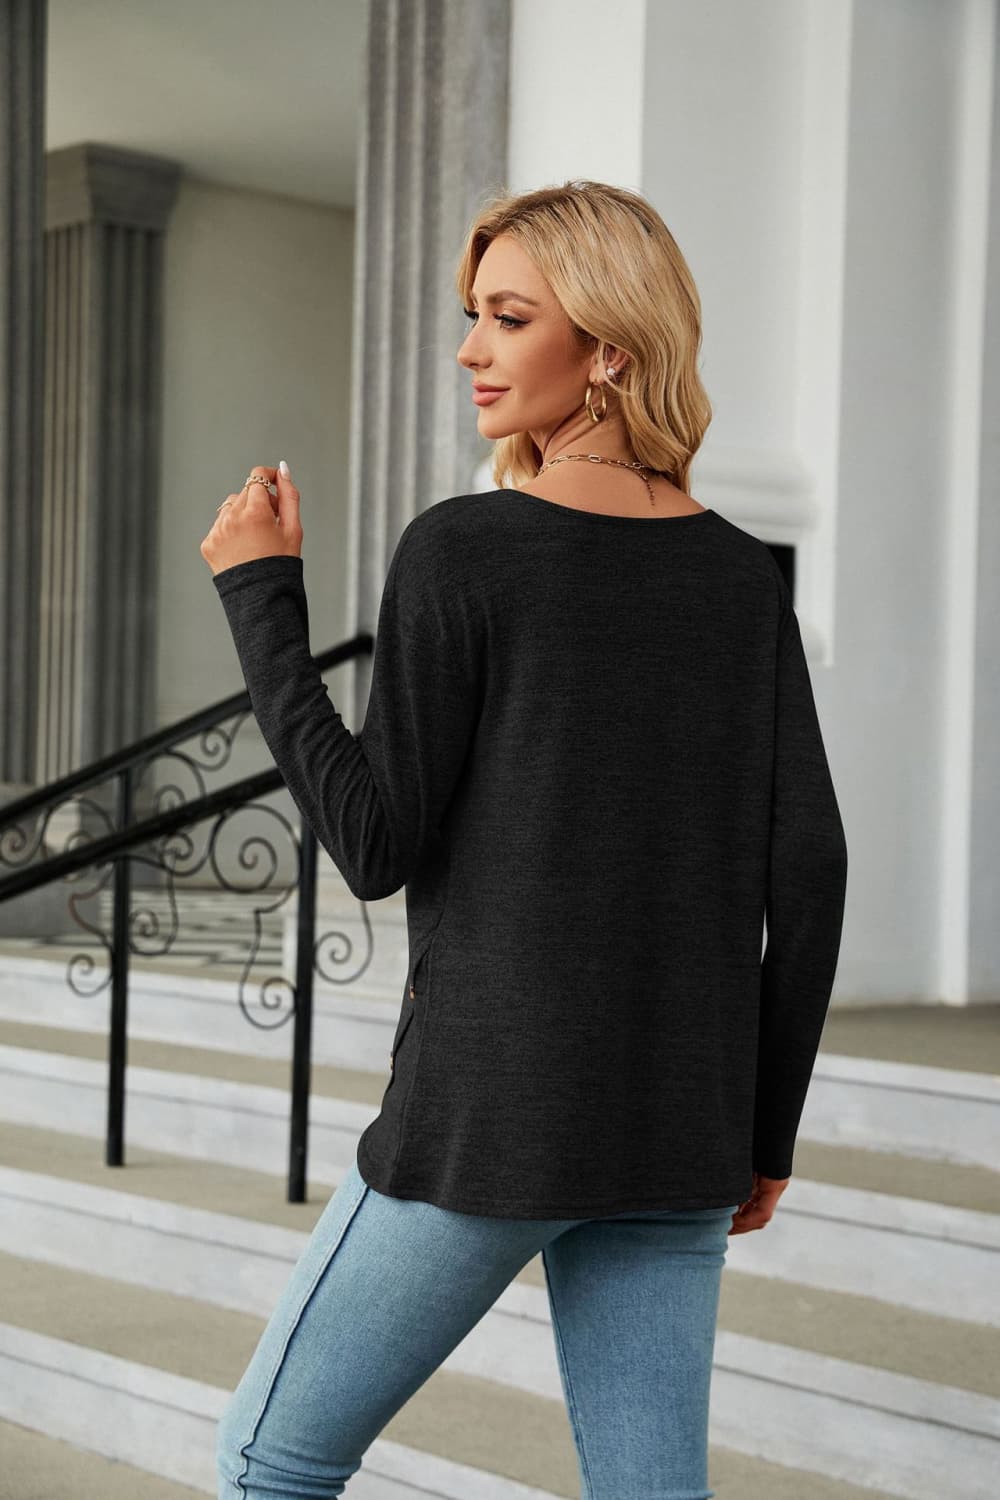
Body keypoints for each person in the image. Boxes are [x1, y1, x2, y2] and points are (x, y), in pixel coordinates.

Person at [203, 179, 848, 1500]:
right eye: (473, 315)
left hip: (493, 1116)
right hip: (680, 1121)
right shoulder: (743, 577)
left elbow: (373, 841)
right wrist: (763, 1129)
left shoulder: (467, 551)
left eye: (507, 317)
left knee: (270, 1460)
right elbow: (812, 869)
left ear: (607, 347)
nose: (469, 351)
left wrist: (262, 598)